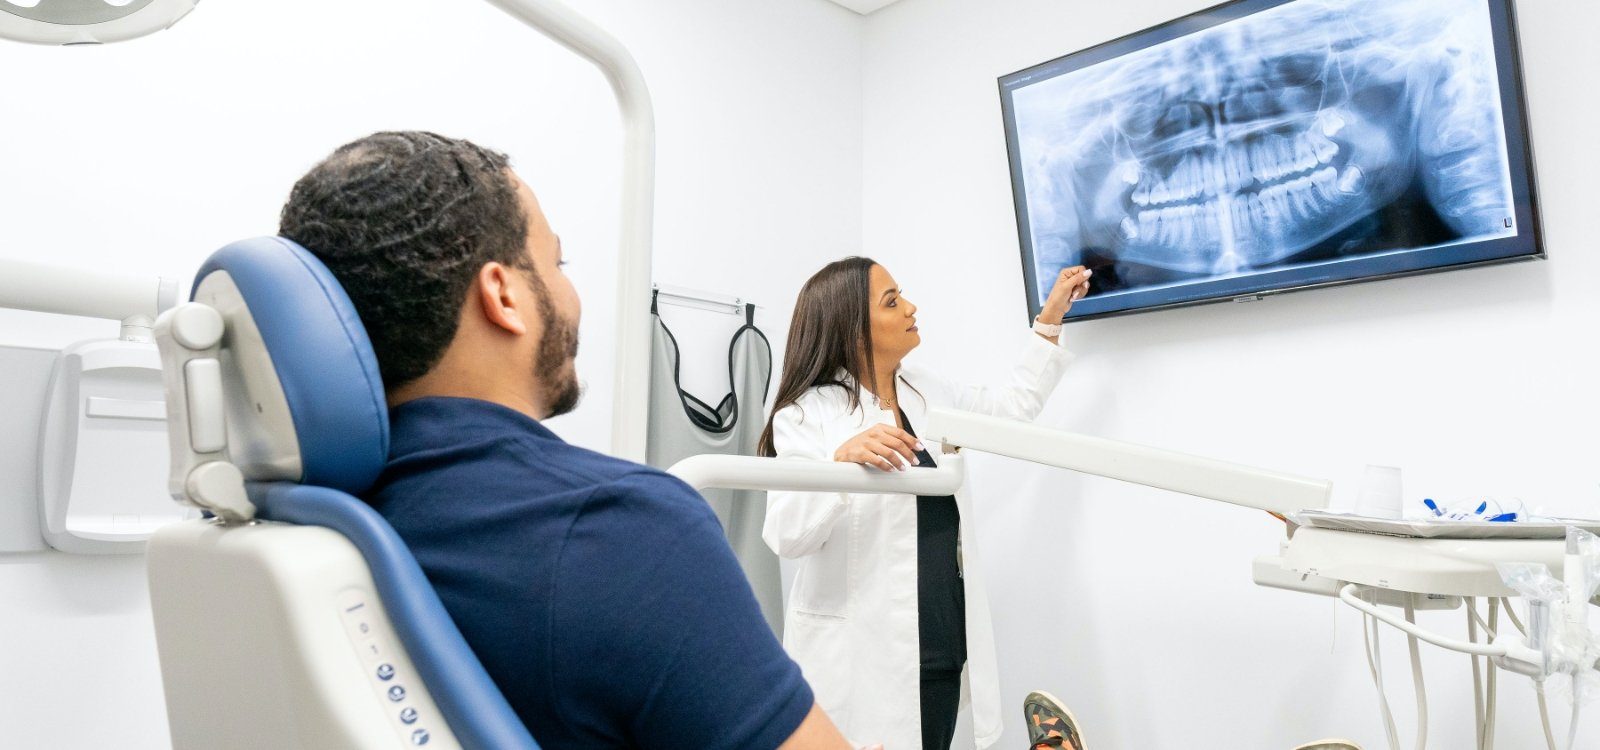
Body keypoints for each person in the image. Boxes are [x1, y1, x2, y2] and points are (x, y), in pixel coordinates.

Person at [277, 131, 859, 750]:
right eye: (557, 264)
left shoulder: (297, 517)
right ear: (503, 295)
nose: (570, 293)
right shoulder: (627, 531)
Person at [760, 255, 1092, 750]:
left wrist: (1049, 322)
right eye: (892, 301)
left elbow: (1010, 409)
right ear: (852, 328)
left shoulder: (925, 391)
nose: (911, 307)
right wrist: (838, 466)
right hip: (861, 656)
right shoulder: (808, 413)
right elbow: (787, 534)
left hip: (939, 646)